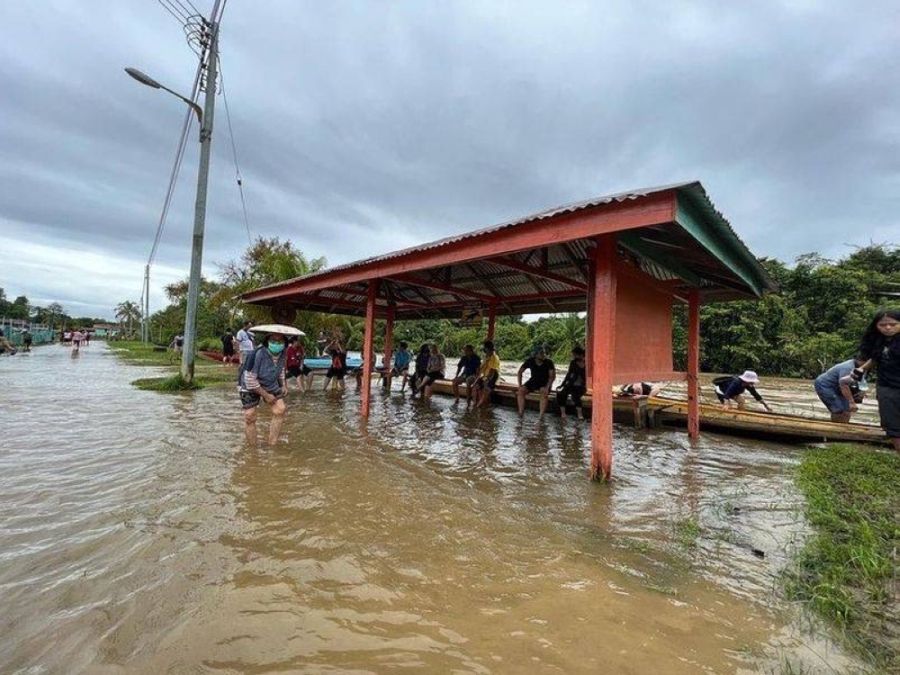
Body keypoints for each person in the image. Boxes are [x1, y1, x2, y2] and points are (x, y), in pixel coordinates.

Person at [857, 309, 900, 452]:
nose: (888, 328)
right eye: (883, 325)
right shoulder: (878, 341)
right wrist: (861, 370)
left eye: (893, 324)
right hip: (887, 387)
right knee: (891, 424)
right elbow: (874, 358)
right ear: (876, 326)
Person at [238, 331, 288, 446]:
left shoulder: (283, 354)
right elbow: (250, 380)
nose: (276, 343)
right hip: (249, 384)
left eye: (280, 341)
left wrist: (283, 384)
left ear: (284, 343)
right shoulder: (258, 354)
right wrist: (266, 395)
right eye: (273, 340)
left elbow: (280, 370)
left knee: (280, 409)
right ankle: (253, 450)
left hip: (269, 381)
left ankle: (272, 445)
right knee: (250, 415)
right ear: (267, 341)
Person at [814, 358, 869, 423]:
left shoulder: (863, 368)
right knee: (840, 410)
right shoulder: (848, 368)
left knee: (846, 409)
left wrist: (861, 391)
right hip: (825, 385)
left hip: (837, 387)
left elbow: (861, 381)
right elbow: (844, 384)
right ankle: (838, 429)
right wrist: (851, 402)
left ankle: (842, 426)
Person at [516, 345, 556, 418]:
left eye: (544, 353)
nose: (543, 355)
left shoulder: (549, 362)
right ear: (536, 355)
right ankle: (520, 413)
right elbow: (520, 372)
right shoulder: (530, 360)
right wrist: (520, 385)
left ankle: (541, 416)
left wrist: (547, 387)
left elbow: (552, 377)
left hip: (545, 382)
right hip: (533, 381)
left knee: (544, 393)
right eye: (541, 353)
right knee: (521, 391)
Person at [557, 346, 587, 420]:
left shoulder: (587, 363)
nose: (574, 357)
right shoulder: (573, 363)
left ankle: (580, 415)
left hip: (581, 386)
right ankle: (563, 413)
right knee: (561, 393)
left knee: (575, 395)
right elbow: (569, 374)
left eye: (575, 355)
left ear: (580, 355)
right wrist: (562, 385)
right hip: (571, 384)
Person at [471, 340, 501, 409]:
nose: (484, 350)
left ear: (488, 348)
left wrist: (487, 380)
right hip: (485, 376)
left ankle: (478, 406)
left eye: (485, 348)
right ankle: (475, 403)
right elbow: (481, 369)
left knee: (485, 389)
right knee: (475, 387)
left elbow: (493, 371)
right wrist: (477, 379)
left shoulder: (494, 357)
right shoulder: (486, 357)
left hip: (493, 377)